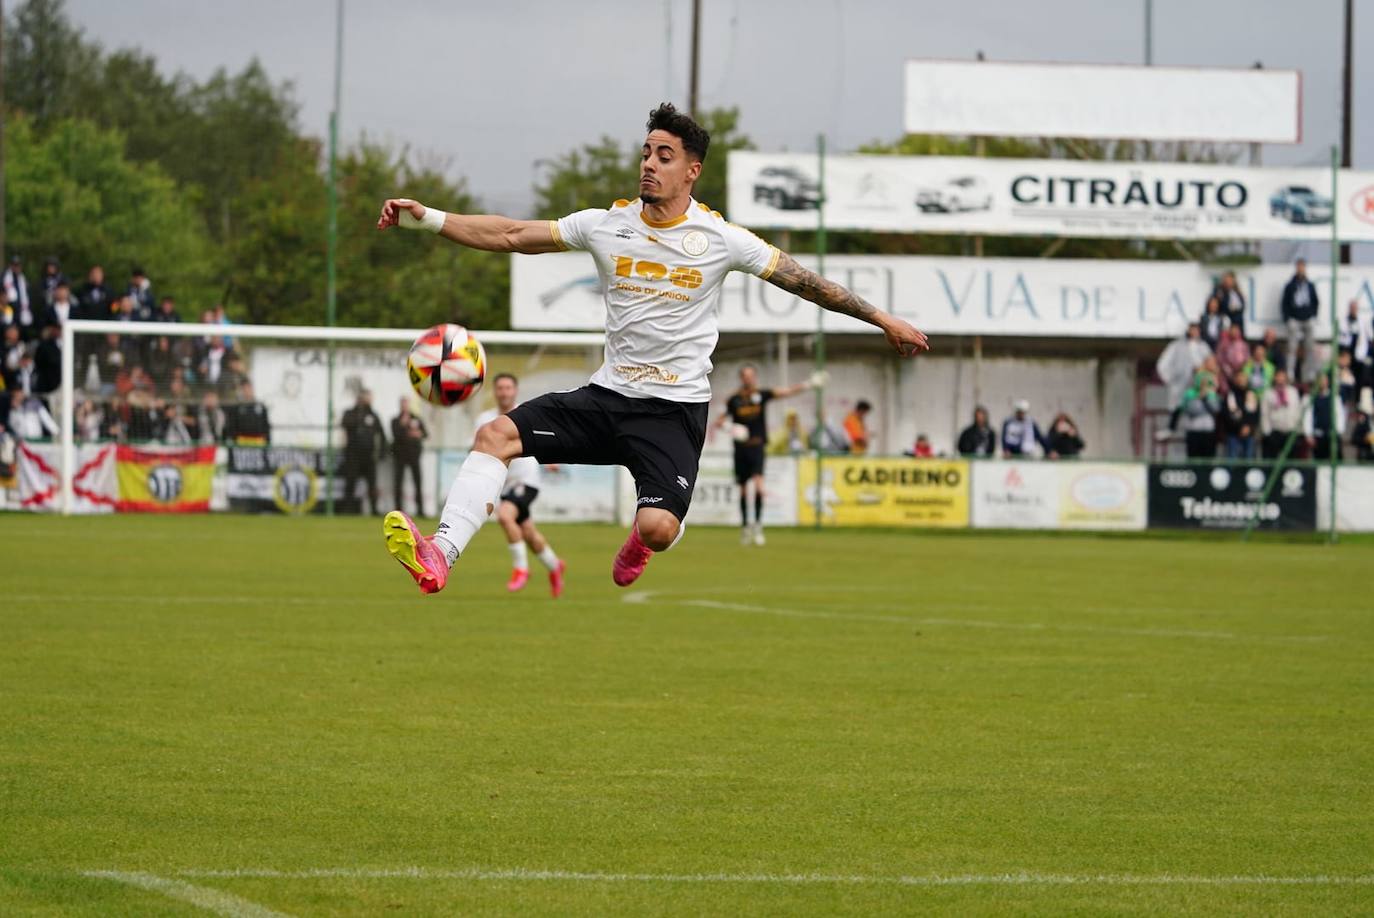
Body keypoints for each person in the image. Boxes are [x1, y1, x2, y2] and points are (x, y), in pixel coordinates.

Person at [376, 103, 928, 594]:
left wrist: (881, 319)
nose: (649, 163)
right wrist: (428, 219)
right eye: (646, 152)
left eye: (664, 155)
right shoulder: (605, 225)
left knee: (658, 530)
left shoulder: (720, 239)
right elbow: (512, 234)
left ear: (691, 171)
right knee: (494, 435)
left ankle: (640, 542)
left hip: (673, 411)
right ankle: (440, 554)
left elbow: (804, 280)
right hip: (607, 396)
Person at [474, 373, 567, 597]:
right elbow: (478, 449)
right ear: (494, 392)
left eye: (508, 388)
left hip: (527, 480)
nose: (504, 392)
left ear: (515, 391)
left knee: (505, 517)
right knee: (528, 532)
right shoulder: (484, 420)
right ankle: (555, 567)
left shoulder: (526, 413)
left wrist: (552, 457)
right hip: (504, 485)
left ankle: (521, 569)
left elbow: (545, 437)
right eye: (500, 388)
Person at [714, 363, 819, 546]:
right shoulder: (734, 399)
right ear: (742, 378)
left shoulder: (762, 395)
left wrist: (808, 384)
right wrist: (732, 428)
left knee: (759, 485)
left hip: (757, 446)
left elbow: (786, 392)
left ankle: (758, 526)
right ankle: (746, 527)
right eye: (745, 376)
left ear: (755, 377)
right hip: (741, 449)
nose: (749, 379)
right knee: (744, 489)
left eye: (751, 375)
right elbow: (719, 421)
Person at [339, 389, 386, 515]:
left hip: (369, 456)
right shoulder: (350, 413)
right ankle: (347, 509)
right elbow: (345, 424)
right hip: (353, 455)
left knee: (372, 483)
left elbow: (381, 434)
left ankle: (374, 509)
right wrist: (359, 414)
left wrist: (381, 452)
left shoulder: (373, 415)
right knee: (350, 482)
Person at [1280, 258, 1319, 384]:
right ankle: (1290, 373)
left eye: (1302, 267)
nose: (1300, 269)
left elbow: (1315, 301)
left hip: (1307, 318)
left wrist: (1313, 315)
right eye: (1299, 267)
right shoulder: (1290, 285)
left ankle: (1308, 374)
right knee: (1292, 347)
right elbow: (1284, 303)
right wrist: (1287, 318)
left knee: (1309, 347)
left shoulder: (1310, 285)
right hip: (1294, 318)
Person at [390, 396, 429, 518]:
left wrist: (418, 433)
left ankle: (420, 509)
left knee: (418, 482)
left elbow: (425, 434)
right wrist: (403, 426)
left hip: (414, 455)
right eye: (403, 404)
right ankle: (398, 510)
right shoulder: (396, 420)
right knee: (398, 482)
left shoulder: (416, 419)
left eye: (406, 404)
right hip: (400, 455)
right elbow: (395, 435)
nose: (404, 406)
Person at [1260, 368, 1302, 459]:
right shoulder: (1268, 393)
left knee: (1291, 459)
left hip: (1290, 430)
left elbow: (1297, 411)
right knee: (1272, 458)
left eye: (1282, 376)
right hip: (1275, 431)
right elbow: (1264, 414)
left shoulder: (1293, 392)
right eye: (1278, 376)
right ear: (1274, 378)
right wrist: (1267, 432)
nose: (1280, 379)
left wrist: (1298, 430)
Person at [1303, 371, 1345, 461]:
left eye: (1324, 380)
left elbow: (1340, 415)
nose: (1322, 382)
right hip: (1318, 435)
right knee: (1319, 461)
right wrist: (1309, 435)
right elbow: (1307, 417)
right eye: (1320, 380)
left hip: (1332, 434)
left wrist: (1338, 431)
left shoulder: (1335, 397)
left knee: (1337, 459)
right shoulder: (1310, 398)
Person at [1222, 369, 1260, 459]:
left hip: (1249, 433)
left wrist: (1248, 427)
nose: (1241, 380)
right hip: (1233, 433)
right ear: (1235, 380)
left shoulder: (1252, 394)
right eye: (1239, 378)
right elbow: (1226, 414)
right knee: (1232, 459)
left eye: (1243, 378)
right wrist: (1239, 427)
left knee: (1249, 459)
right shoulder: (1230, 395)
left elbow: (1256, 414)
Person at [2, 255, 34, 340]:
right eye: (14, 265)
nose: (16, 267)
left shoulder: (22, 279)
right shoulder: (4, 277)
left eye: (18, 265)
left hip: (21, 312)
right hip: (8, 309)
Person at [1211, 270, 1246, 336]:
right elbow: (1220, 307)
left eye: (1230, 280)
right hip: (1226, 324)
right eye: (1226, 280)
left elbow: (1242, 306)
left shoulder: (1237, 293)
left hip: (1238, 324)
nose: (1228, 282)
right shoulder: (1219, 292)